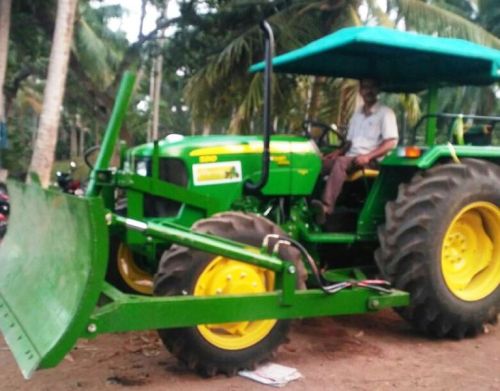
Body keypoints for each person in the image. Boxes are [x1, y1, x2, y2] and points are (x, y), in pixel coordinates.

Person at [313, 79, 398, 223]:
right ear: (360, 91)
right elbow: (350, 142)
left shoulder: (385, 113)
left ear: (378, 90)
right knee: (317, 164)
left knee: (340, 163)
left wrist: (368, 156)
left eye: (372, 87)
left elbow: (391, 143)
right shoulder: (357, 114)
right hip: (351, 158)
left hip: (372, 161)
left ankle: (327, 207)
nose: (368, 91)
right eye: (365, 87)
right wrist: (338, 151)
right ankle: (308, 202)